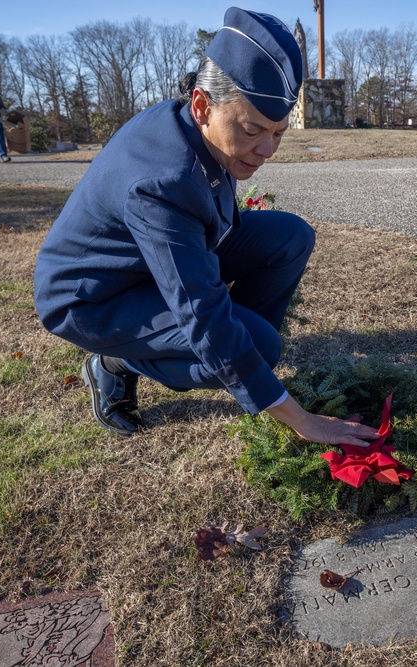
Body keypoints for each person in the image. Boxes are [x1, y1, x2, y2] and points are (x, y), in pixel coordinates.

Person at [33, 7, 380, 448]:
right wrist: (301, 419)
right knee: (253, 346)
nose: (267, 148)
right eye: (253, 129)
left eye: (278, 132)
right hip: (96, 296)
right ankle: (116, 362)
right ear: (202, 105)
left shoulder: (193, 126)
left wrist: (245, 353)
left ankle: (248, 360)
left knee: (290, 239)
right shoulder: (162, 182)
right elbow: (201, 312)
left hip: (152, 258)